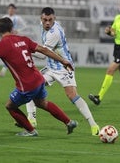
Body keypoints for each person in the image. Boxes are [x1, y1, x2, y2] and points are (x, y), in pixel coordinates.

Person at [0, 17, 78, 137]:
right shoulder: (23, 39)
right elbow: (43, 50)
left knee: (10, 106)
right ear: (12, 28)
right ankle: (69, 122)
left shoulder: (1, 45)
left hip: (26, 85)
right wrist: (63, 61)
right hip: (39, 79)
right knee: (42, 103)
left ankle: (31, 131)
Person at [24, 7, 100, 136]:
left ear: (55, 19)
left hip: (64, 67)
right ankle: (31, 119)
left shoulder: (55, 33)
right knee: (30, 86)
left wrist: (25, 50)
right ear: (41, 19)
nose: (47, 23)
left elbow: (42, 55)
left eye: (50, 20)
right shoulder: (44, 25)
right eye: (45, 20)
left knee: (72, 95)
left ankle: (94, 125)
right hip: (50, 68)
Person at [0, 3, 26, 77]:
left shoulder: (17, 18)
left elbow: (25, 26)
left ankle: (3, 70)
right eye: (9, 9)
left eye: (12, 9)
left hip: (13, 39)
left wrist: (18, 30)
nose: (10, 10)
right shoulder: (5, 17)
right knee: (10, 55)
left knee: (11, 55)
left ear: (15, 10)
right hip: (6, 38)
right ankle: (3, 71)